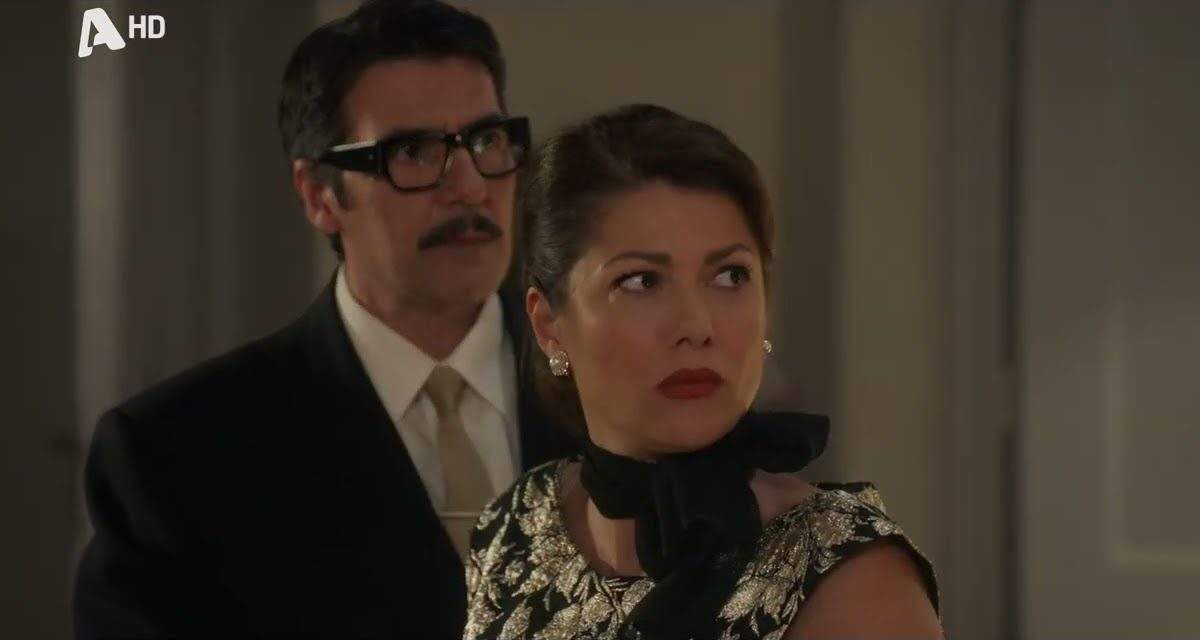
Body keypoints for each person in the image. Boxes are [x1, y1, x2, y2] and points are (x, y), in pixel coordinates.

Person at [72, 2, 574, 638]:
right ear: (318, 194)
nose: (471, 186)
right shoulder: (178, 454)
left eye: (487, 141)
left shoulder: (613, 387)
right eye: (413, 152)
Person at [463, 105, 943, 640]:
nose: (696, 326)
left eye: (730, 276)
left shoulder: (851, 581)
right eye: (641, 282)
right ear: (549, 324)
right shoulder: (513, 528)